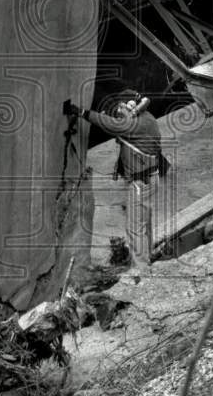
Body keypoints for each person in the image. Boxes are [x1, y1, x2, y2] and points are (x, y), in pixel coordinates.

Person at [64, 89, 166, 281]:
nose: (119, 110)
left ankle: (141, 270)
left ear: (131, 106)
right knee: (145, 221)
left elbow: (106, 123)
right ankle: (148, 257)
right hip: (151, 177)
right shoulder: (148, 117)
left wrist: (81, 112)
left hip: (140, 182)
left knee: (135, 227)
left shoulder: (132, 124)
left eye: (122, 107)